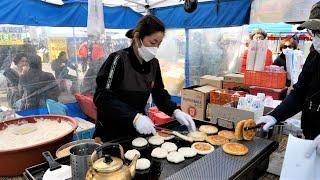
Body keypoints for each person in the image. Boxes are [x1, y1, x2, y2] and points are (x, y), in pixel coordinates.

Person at [93, 15, 196, 142]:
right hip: (111, 132)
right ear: (137, 37)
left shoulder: (153, 64)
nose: (156, 48)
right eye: (153, 42)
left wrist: (175, 111)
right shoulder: (118, 59)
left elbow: (159, 93)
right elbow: (102, 97)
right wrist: (135, 118)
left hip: (137, 129)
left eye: (159, 44)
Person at [257, 2, 320, 157]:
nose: (316, 38)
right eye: (315, 32)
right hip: (311, 137)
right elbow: (300, 93)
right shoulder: (315, 56)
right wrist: (275, 115)